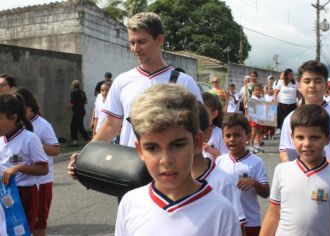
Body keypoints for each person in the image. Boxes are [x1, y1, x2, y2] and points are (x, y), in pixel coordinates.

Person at [68, 12, 202, 177]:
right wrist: (84, 155)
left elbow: (199, 131)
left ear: (159, 40)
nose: (135, 49)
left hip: (172, 173)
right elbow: (110, 126)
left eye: (141, 42)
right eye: (132, 43)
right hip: (130, 171)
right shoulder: (122, 81)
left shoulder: (185, 83)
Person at [115, 83, 241, 235]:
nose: (166, 160)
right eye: (152, 148)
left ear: (198, 142)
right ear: (140, 150)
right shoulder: (130, 203)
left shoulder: (221, 212)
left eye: (177, 145)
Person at [260, 105, 330, 236]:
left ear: (328, 138)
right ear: (292, 137)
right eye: (300, 137)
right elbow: (272, 215)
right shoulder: (282, 171)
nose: (307, 143)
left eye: (314, 137)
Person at [279, 60, 330, 220]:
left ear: (326, 85)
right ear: (299, 85)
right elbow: (284, 152)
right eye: (307, 81)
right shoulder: (290, 118)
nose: (312, 85)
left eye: (317, 80)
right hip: (298, 186)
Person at [192, 102, 247, 233]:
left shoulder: (223, 182)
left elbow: (238, 227)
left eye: (180, 141)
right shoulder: (156, 185)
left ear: (205, 135)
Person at [0, 94, 48, 233]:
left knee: (20, 231)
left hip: (24, 194)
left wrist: (19, 167)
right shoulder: (1, 140)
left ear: (13, 117)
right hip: (4, 193)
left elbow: (43, 168)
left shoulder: (30, 139)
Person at [15, 88, 60, 236]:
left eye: (22, 109)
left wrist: (33, 144)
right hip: (21, 182)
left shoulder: (43, 125)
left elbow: (55, 150)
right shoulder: (17, 124)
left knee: (38, 225)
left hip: (42, 181)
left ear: (30, 107)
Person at [216, 113, 270, 236]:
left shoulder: (256, 162)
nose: (231, 139)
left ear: (248, 136)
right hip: (226, 220)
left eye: (237, 135)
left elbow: (266, 192)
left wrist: (254, 183)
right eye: (228, 136)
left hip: (250, 221)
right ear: (222, 137)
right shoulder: (219, 161)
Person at [202, 92, 228, 161]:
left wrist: (212, 151)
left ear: (214, 114)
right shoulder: (191, 132)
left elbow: (226, 161)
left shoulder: (220, 134)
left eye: (203, 113)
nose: (199, 115)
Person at [69, 80, 90, 147]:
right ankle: (75, 142)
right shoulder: (82, 92)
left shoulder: (74, 93)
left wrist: (67, 108)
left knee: (79, 126)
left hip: (77, 112)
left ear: (73, 86)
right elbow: (86, 101)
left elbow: (72, 103)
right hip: (82, 111)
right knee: (73, 126)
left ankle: (88, 140)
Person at [248, 83, 265, 153]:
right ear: (253, 91)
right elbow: (250, 109)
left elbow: (265, 107)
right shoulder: (252, 98)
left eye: (259, 90)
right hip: (254, 118)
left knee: (259, 132)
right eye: (256, 90)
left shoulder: (262, 98)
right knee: (253, 132)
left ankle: (258, 146)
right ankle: (251, 146)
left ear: (261, 91)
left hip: (260, 118)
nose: (257, 91)